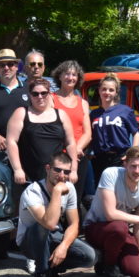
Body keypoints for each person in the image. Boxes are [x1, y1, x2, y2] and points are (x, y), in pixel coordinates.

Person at [17, 151, 97, 277]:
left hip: (54, 236)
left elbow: (74, 224)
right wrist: (57, 191)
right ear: (48, 169)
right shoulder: (33, 192)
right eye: (57, 170)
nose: (62, 176)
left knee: (90, 257)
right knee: (41, 227)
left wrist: (64, 247)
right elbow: (48, 223)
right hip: (31, 241)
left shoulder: (70, 188)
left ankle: (52, 269)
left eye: (66, 172)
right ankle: (42, 275)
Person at [83, 146, 139, 277]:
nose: (137, 171)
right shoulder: (111, 174)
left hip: (119, 233)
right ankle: (109, 267)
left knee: (137, 273)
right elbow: (110, 214)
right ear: (125, 164)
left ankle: (107, 257)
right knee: (119, 227)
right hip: (96, 228)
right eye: (133, 166)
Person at [6, 77, 77, 188]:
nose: (40, 97)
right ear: (30, 95)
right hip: (29, 176)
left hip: (58, 176)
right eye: (35, 94)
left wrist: (73, 170)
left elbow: (70, 143)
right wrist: (18, 169)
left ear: (49, 94)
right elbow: (11, 142)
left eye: (43, 93)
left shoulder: (61, 114)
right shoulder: (21, 113)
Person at [51, 60, 93, 204]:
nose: (70, 77)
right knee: (56, 196)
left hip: (79, 156)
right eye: (67, 74)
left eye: (74, 75)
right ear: (60, 77)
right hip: (58, 156)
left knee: (75, 197)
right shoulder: (51, 99)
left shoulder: (83, 102)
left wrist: (77, 148)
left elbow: (87, 132)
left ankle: (74, 225)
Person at [90, 73, 139, 178]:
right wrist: (87, 152)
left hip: (120, 157)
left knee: (119, 189)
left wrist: (131, 154)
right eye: (104, 89)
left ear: (116, 92)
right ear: (99, 90)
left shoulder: (125, 110)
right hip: (99, 158)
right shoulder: (93, 114)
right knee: (101, 190)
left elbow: (136, 133)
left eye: (111, 90)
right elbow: (90, 136)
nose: (107, 92)